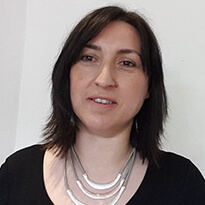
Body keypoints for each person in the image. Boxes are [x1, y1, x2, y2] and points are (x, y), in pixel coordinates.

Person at [0, 5, 205, 205]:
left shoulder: (183, 183)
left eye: (127, 63)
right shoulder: (15, 174)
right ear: (66, 75)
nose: (104, 79)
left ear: (149, 86)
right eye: (89, 58)